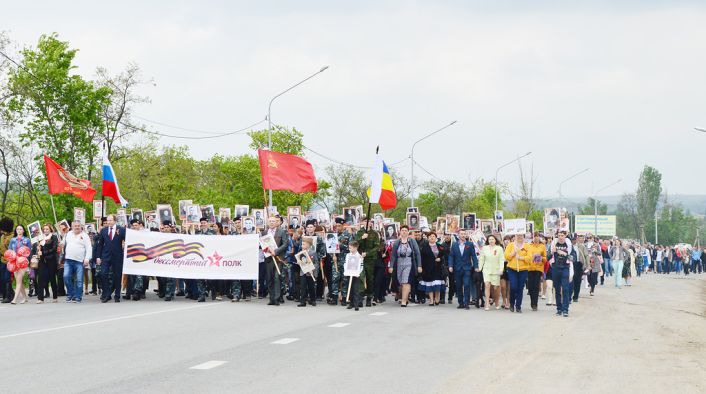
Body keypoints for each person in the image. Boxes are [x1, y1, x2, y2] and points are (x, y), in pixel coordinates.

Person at [96, 214, 126, 303]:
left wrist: (125, 246)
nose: (108, 222)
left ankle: (117, 295)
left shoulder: (121, 230)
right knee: (103, 274)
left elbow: (127, 240)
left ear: (115, 221)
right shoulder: (104, 231)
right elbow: (100, 244)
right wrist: (98, 256)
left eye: (110, 220)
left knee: (117, 276)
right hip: (106, 256)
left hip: (117, 256)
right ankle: (107, 293)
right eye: (108, 220)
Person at [389, 225, 421, 307]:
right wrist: (391, 266)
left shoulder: (412, 241)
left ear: (408, 232)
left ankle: (403, 301)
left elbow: (417, 254)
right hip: (399, 263)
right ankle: (405, 298)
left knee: (406, 281)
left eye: (405, 230)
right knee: (400, 282)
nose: (404, 232)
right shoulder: (397, 242)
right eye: (402, 230)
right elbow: (393, 255)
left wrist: (419, 266)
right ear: (400, 232)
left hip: (409, 262)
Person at [62, 221, 93, 303]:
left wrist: (87, 258)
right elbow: (64, 244)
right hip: (68, 260)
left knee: (79, 280)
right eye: (75, 226)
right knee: (66, 277)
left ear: (81, 226)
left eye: (78, 226)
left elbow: (89, 248)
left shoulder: (85, 235)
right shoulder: (68, 234)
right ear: (72, 226)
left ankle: (78, 296)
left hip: (79, 261)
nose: (77, 227)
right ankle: (71, 294)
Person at [448, 229, 478, 310]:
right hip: (457, 268)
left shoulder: (470, 244)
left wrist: (476, 266)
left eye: (464, 234)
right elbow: (451, 256)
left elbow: (474, 256)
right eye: (461, 234)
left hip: (467, 268)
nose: (463, 235)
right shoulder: (454, 245)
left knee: (467, 285)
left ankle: (466, 303)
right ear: (458, 235)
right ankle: (460, 303)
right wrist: (450, 266)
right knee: (458, 286)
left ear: (466, 235)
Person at [261, 216, 288, 306]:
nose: (272, 222)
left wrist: (275, 251)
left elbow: (285, 244)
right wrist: (267, 250)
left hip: (278, 258)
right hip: (268, 258)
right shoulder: (264, 232)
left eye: (273, 221)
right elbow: (261, 245)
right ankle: (271, 299)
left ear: (276, 222)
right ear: (268, 222)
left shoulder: (282, 231)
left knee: (277, 278)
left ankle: (276, 298)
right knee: (270, 279)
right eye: (270, 221)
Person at [355, 218, 381, 307]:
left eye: (368, 221)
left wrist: (368, 253)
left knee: (370, 278)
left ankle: (369, 297)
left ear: (371, 223)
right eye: (365, 221)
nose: (367, 223)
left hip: (370, 259)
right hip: (360, 258)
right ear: (362, 223)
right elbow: (355, 243)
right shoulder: (359, 232)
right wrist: (362, 238)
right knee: (361, 277)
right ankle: (360, 297)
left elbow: (377, 247)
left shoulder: (374, 233)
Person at [32, 224, 59, 303]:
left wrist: (44, 252)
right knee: (40, 278)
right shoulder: (40, 238)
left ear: (50, 229)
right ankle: (40, 298)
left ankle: (55, 296)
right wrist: (38, 249)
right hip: (42, 260)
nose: (45, 230)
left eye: (47, 229)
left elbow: (54, 248)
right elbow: (38, 249)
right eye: (44, 229)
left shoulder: (53, 237)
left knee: (52, 278)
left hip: (51, 260)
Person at [504, 233, 530, 313]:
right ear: (515, 236)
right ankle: (512, 303)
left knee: (520, 288)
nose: (519, 237)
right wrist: (513, 253)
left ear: (523, 236)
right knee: (513, 287)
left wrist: (521, 258)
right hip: (512, 269)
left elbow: (529, 258)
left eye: (521, 235)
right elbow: (506, 256)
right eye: (517, 235)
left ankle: (518, 306)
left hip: (523, 269)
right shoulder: (511, 245)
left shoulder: (527, 246)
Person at [478, 234, 504, 311]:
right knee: (487, 285)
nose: (491, 241)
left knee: (495, 288)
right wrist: (480, 267)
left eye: (492, 239)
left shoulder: (499, 248)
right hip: (486, 269)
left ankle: (496, 301)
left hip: (496, 270)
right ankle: (487, 303)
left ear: (495, 240)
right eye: (489, 239)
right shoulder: (484, 248)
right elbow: (481, 258)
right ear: (487, 241)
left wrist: (501, 269)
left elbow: (501, 260)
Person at [418, 232, 445, 306]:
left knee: (437, 284)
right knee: (429, 284)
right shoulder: (424, 247)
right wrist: (420, 267)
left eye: (433, 236)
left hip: (438, 269)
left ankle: (437, 298)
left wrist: (440, 259)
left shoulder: (440, 247)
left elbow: (444, 256)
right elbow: (421, 258)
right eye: (430, 236)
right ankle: (431, 300)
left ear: (436, 238)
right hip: (428, 269)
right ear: (428, 238)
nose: (432, 237)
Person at [329, 217, 351, 306]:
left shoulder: (348, 235)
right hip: (336, 261)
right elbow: (329, 248)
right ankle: (334, 298)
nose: (337, 227)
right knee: (335, 279)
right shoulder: (333, 236)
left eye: (339, 226)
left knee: (345, 279)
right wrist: (332, 255)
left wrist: (340, 245)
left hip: (345, 260)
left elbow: (351, 248)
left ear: (343, 225)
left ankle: (344, 298)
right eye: (336, 226)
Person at [551, 231, 572, 317]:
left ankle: (565, 309)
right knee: (557, 290)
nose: (560, 237)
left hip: (565, 269)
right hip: (555, 269)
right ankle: (559, 309)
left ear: (565, 236)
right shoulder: (554, 244)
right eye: (559, 235)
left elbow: (573, 257)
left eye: (562, 235)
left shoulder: (568, 245)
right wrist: (552, 252)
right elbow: (548, 257)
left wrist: (564, 253)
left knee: (565, 289)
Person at [9, 225, 32, 304]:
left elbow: (30, 251)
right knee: (19, 280)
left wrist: (29, 261)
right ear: (16, 230)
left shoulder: (27, 240)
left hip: (23, 262)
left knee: (18, 279)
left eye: (20, 229)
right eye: (17, 229)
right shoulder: (12, 240)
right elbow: (9, 251)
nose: (19, 230)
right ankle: (25, 298)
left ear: (23, 230)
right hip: (14, 262)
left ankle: (14, 299)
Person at [525, 232, 547, 311]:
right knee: (530, 286)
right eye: (534, 236)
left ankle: (535, 304)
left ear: (539, 238)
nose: (536, 238)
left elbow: (545, 258)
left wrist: (541, 258)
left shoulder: (542, 246)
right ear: (532, 238)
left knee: (536, 286)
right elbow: (526, 256)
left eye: (537, 236)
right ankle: (532, 301)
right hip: (530, 268)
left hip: (538, 268)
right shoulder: (528, 246)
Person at [297, 237, 317, 307]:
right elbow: (299, 261)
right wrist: (298, 262)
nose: (302, 245)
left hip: (310, 272)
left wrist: (313, 269)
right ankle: (302, 301)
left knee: (311, 286)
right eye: (302, 244)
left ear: (309, 245)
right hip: (303, 272)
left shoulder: (313, 252)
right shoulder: (300, 252)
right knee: (303, 286)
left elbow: (316, 262)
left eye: (304, 244)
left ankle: (313, 299)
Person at [345, 240, 363, 311]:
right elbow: (345, 264)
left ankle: (356, 304)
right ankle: (351, 303)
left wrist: (358, 272)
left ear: (355, 248)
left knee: (355, 289)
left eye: (351, 248)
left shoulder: (359, 256)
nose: (350, 249)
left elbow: (361, 266)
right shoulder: (348, 255)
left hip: (356, 275)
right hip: (349, 273)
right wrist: (346, 271)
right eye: (349, 248)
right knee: (350, 289)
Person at [0, 217, 14, 303]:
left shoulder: (12, 236)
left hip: (10, 260)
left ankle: (9, 296)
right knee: (2, 278)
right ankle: (6, 294)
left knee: (7, 278)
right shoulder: (2, 236)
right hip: (2, 259)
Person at [573, 234, 589, 302]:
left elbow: (586, 255)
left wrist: (588, 265)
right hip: (571, 264)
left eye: (575, 239)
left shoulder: (582, 246)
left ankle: (576, 296)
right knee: (571, 280)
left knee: (578, 281)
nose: (574, 241)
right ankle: (570, 294)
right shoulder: (569, 246)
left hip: (579, 264)